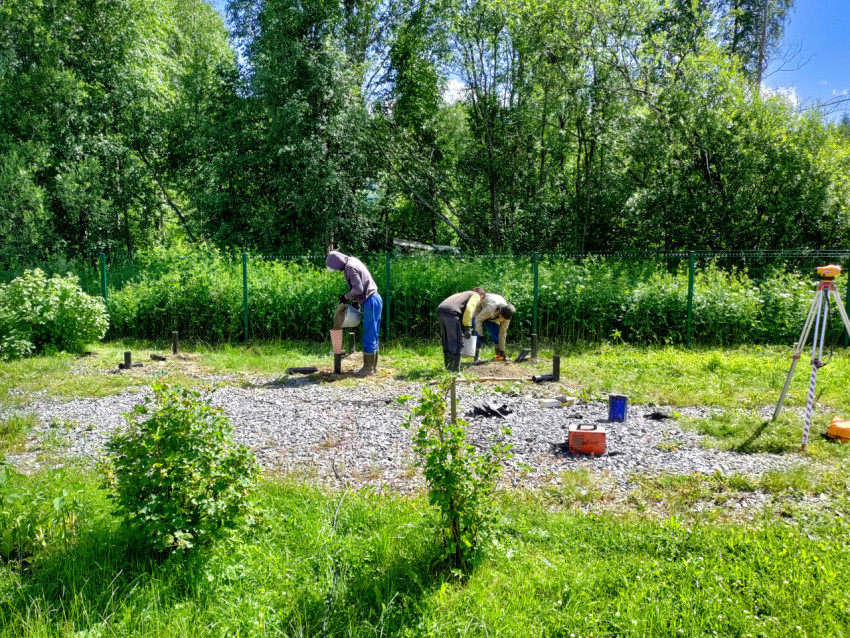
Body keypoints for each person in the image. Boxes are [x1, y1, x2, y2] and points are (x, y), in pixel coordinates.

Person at [326, 251, 382, 376]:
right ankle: (373, 368)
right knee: (373, 334)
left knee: (369, 335)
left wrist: (346, 296)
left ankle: (367, 369)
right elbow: (361, 283)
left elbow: (358, 288)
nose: (337, 270)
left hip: (370, 301)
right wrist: (356, 300)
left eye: (335, 268)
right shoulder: (352, 260)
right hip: (374, 299)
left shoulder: (349, 267)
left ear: (336, 263)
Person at [436, 287, 486, 372]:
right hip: (451, 313)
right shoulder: (476, 296)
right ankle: (455, 371)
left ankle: (448, 368)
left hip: (440, 311)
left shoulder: (462, 294)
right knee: (457, 342)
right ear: (482, 296)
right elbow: (469, 310)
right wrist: (468, 327)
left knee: (446, 340)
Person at [473, 293, 515, 362]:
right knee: (477, 334)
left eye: (504, 318)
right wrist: (481, 335)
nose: (503, 319)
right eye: (502, 317)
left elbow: (502, 333)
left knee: (497, 334)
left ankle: (499, 355)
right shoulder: (490, 308)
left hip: (492, 316)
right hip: (479, 312)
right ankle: (476, 358)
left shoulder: (507, 316)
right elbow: (478, 319)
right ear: (500, 312)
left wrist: (502, 350)